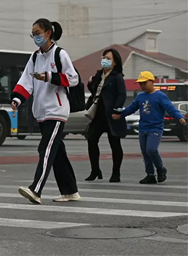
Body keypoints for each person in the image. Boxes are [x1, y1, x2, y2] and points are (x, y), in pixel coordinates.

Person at [12, 19, 80, 205]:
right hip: (41, 112)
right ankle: (70, 191)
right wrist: (17, 99)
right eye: (33, 34)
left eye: (38, 32)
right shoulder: (35, 57)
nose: (35, 37)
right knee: (57, 153)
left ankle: (36, 189)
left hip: (56, 111)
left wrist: (49, 76)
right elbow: (26, 80)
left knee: (46, 149)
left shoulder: (60, 54)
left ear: (48, 33)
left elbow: (73, 79)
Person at [117, 71, 186, 184]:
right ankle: (150, 174)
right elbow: (131, 108)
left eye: (144, 83)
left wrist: (179, 117)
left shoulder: (160, 96)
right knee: (145, 152)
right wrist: (120, 114)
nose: (142, 86)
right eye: (140, 84)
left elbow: (170, 108)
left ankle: (160, 169)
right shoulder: (140, 96)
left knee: (151, 149)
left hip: (155, 128)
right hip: (143, 128)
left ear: (152, 81)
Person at [85, 49, 127, 183]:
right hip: (98, 113)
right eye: (104, 57)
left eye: (108, 58)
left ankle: (116, 173)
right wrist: (91, 83)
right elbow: (95, 92)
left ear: (115, 62)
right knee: (91, 139)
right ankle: (95, 170)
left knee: (114, 143)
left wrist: (117, 110)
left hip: (111, 114)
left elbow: (122, 94)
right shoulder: (99, 75)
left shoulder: (117, 76)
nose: (105, 60)